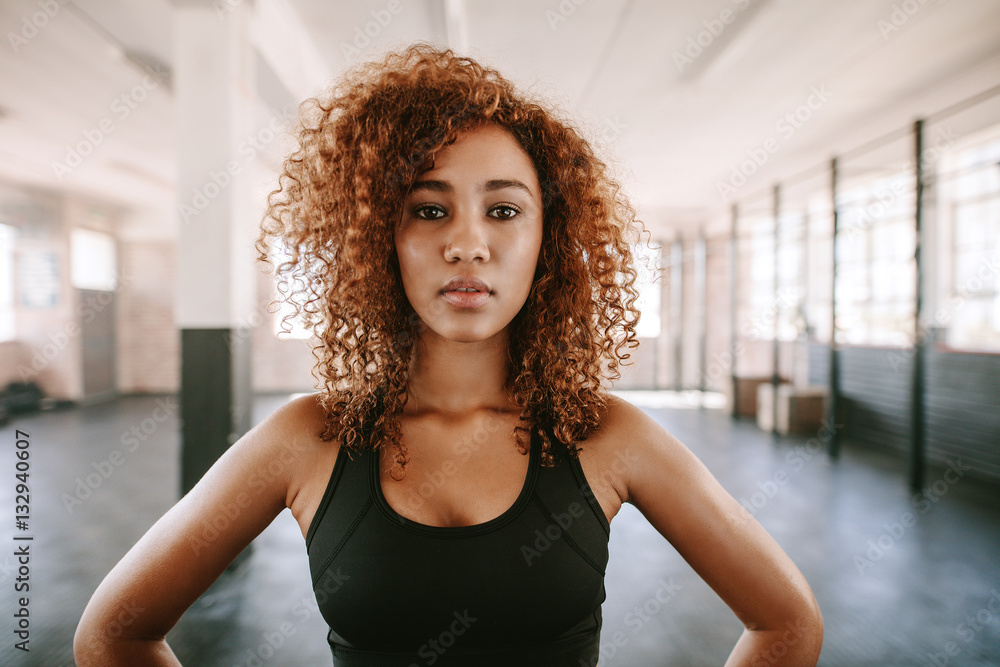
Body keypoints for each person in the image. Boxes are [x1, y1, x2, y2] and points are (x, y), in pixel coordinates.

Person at [74, 44, 823, 666]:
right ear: (379, 241)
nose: (468, 241)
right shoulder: (306, 439)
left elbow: (787, 623)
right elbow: (114, 634)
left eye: (504, 209)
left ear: (548, 240)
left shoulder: (609, 436)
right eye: (429, 209)